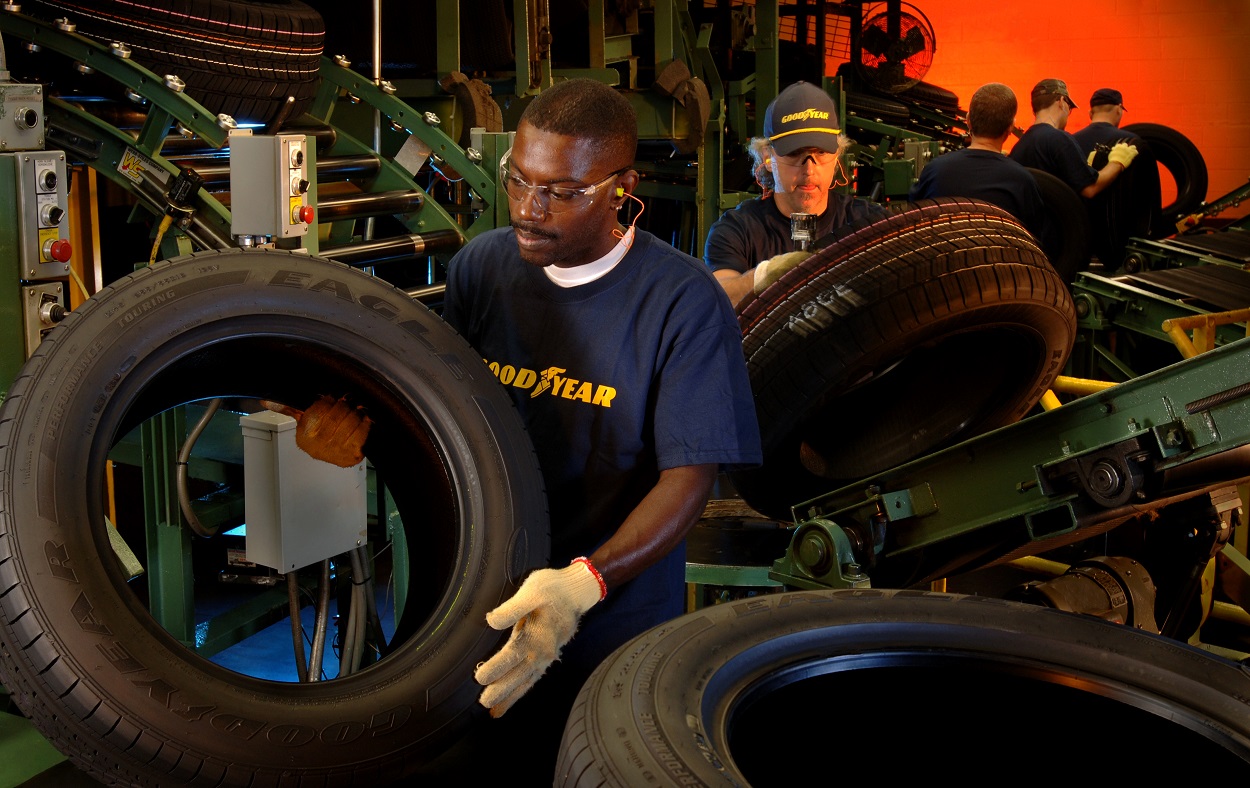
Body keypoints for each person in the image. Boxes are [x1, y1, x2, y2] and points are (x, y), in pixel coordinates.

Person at [439, 77, 762, 779]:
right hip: (479, 603)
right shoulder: (481, 269)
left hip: (609, 618)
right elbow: (440, 413)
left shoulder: (682, 302)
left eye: (562, 192)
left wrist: (583, 584)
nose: (529, 208)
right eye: (519, 180)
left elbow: (688, 478)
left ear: (622, 186)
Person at [703, 80, 888, 307]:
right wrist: (764, 276)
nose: (809, 169)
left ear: (837, 154)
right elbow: (718, 297)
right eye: (795, 154)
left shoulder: (870, 223)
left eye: (820, 153)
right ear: (767, 157)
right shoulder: (737, 230)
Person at [909, 83, 1049, 247]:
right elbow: (1034, 242)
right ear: (1011, 127)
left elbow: (913, 221)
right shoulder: (1023, 182)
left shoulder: (934, 171)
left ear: (968, 120)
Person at [1072, 87, 1165, 261]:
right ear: (1118, 109)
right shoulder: (1133, 143)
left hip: (1079, 238)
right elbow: (1149, 197)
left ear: (1090, 112)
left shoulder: (1070, 142)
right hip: (1119, 245)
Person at [1009, 78, 1137, 199]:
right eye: (1069, 107)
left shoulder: (1019, 146)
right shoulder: (1060, 139)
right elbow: (1090, 188)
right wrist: (1118, 161)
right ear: (1061, 101)